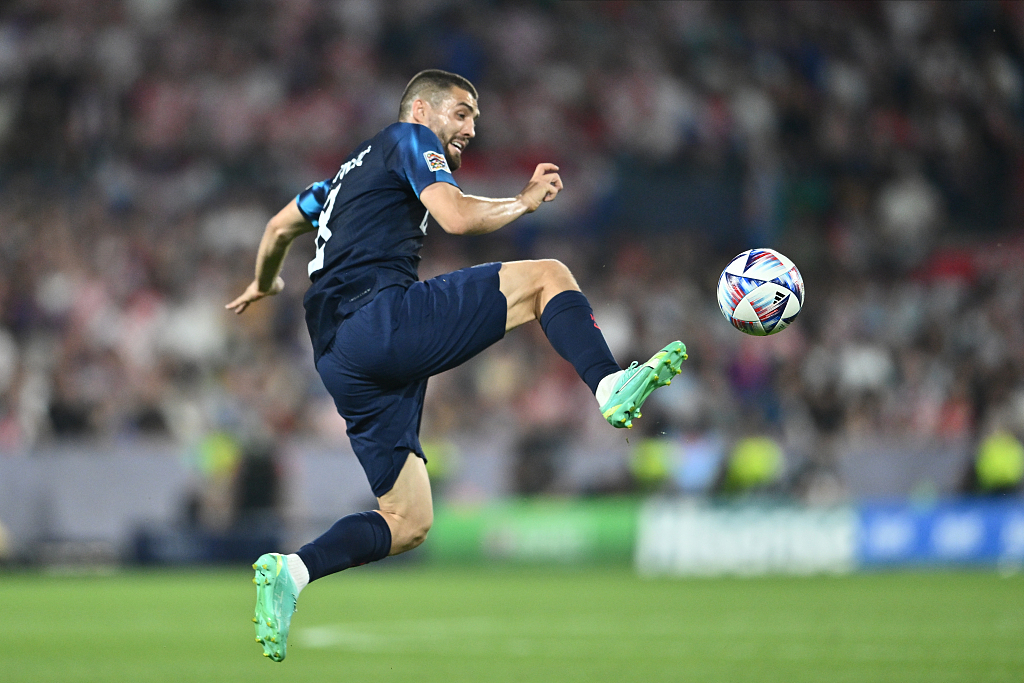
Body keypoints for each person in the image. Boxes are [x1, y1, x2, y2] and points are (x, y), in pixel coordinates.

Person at [227, 69, 687, 662]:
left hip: (339, 359)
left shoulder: (339, 180)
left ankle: (292, 572)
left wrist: (264, 284)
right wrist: (523, 202)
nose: (471, 128)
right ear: (421, 108)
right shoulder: (407, 138)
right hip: (379, 319)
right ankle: (608, 383)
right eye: (462, 113)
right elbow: (456, 217)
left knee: (409, 519)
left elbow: (278, 227)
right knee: (548, 275)